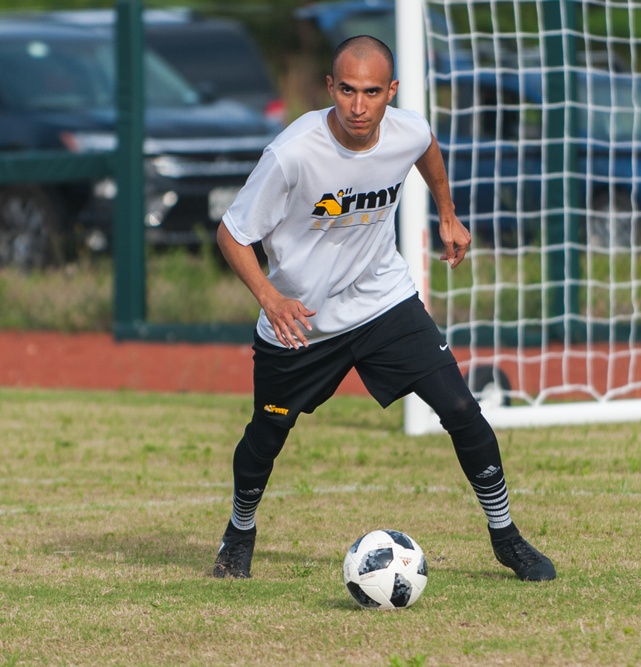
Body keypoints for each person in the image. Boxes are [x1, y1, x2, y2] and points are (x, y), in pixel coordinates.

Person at [211, 35, 556, 583]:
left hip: (383, 301)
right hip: (304, 320)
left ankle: (507, 537)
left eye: (372, 92)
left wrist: (447, 213)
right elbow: (231, 234)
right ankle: (239, 531)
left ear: (390, 92)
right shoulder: (292, 153)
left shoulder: (406, 129)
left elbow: (425, 147)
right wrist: (271, 299)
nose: (357, 105)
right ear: (330, 87)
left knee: (463, 411)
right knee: (265, 437)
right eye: (346, 90)